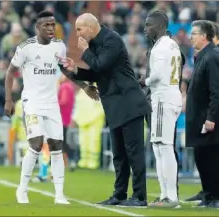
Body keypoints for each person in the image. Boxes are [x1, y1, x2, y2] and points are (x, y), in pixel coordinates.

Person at [4, 10, 98, 204]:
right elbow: (10, 72)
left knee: (56, 147)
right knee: (37, 144)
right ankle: (22, 190)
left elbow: (64, 69)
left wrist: (84, 86)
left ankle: (59, 195)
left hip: (51, 103)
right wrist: (8, 99)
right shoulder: (26, 48)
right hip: (32, 103)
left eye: (53, 24)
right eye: (46, 25)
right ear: (37, 27)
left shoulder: (59, 46)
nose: (51, 28)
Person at [58, 13, 150, 207]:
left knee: (134, 152)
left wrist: (84, 52)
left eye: (79, 29)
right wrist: (76, 70)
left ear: (91, 27)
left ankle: (140, 196)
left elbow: (101, 64)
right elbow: (96, 72)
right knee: (119, 154)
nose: (77, 33)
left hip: (129, 102)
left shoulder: (112, 40)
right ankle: (120, 194)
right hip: (114, 104)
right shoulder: (93, 45)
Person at [185, 21, 219, 204]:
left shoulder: (215, 56)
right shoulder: (203, 56)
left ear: (204, 36)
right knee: (203, 156)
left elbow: (218, 91)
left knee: (216, 156)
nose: (190, 37)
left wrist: (211, 117)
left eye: (194, 33)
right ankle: (209, 194)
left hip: (212, 116)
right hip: (200, 116)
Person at [139, 11, 183, 208]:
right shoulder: (172, 45)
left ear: (158, 26)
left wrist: (143, 81)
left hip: (163, 98)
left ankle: (171, 197)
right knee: (159, 147)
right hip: (172, 95)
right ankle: (165, 194)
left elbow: (157, 75)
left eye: (148, 25)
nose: (145, 28)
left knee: (163, 147)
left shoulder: (160, 47)